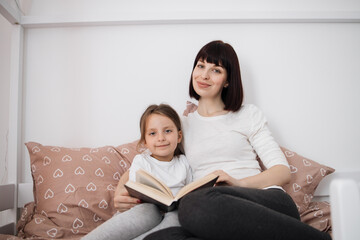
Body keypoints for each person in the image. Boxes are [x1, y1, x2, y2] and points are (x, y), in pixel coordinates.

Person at [114, 40, 332, 240]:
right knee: (159, 238)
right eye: (200, 66)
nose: (204, 75)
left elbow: (282, 172)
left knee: (194, 203)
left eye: (215, 70)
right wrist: (120, 191)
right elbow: (147, 157)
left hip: (264, 201)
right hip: (212, 213)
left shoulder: (247, 115)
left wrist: (239, 184)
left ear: (228, 80)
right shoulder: (181, 124)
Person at [83, 104, 192, 240]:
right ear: (145, 141)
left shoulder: (184, 162)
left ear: (179, 136)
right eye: (153, 133)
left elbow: (190, 190)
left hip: (172, 211)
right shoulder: (142, 161)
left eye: (168, 131)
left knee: (176, 220)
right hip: (145, 210)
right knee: (148, 211)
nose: (161, 138)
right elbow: (135, 191)